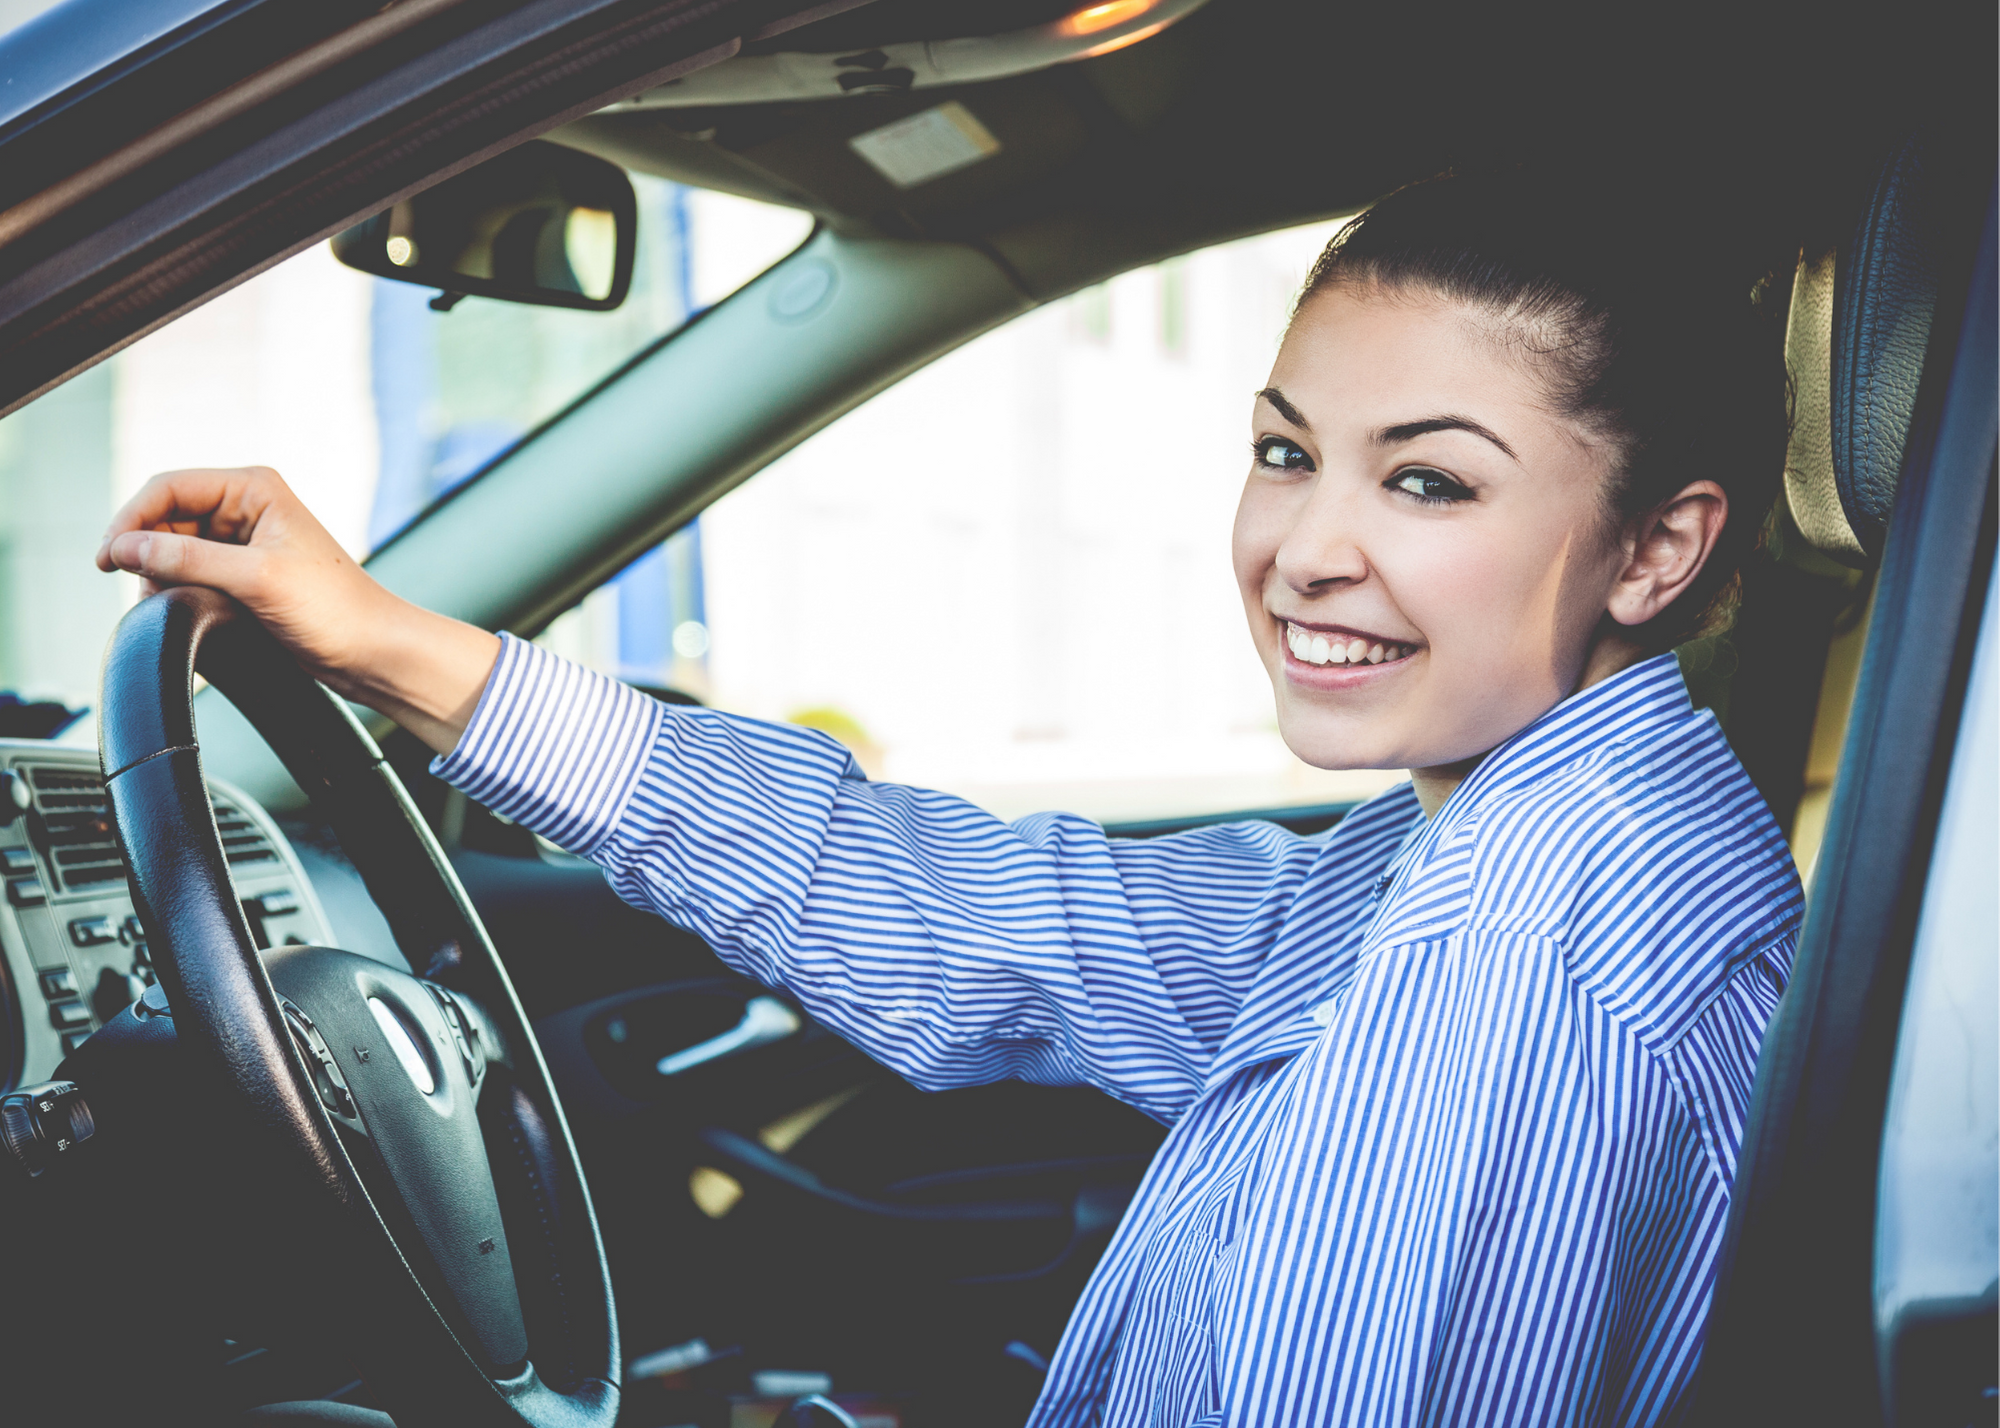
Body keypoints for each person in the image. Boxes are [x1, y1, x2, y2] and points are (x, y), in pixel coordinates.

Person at [98, 174, 1801, 1427]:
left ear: (1658, 549)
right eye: (1288, 451)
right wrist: (404, 652)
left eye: (1427, 480)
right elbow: (992, 922)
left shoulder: (1517, 971)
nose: (1304, 550)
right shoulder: (1484, 842)